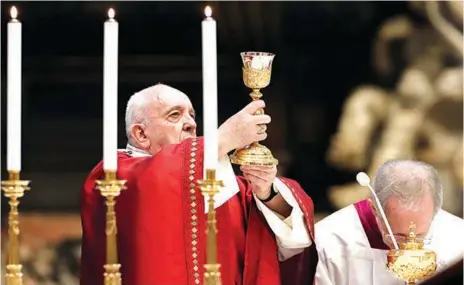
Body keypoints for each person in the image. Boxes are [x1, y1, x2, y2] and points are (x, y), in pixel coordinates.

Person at [80, 84, 318, 285]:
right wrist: (225, 137)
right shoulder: (112, 177)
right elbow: (154, 185)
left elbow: (285, 237)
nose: (190, 124)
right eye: (174, 115)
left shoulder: (222, 182)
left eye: (192, 115)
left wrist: (266, 192)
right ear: (141, 134)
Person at [314, 159, 464, 285]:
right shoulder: (328, 242)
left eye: (420, 236)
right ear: (374, 209)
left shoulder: (458, 238)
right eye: (399, 236)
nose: (408, 247)